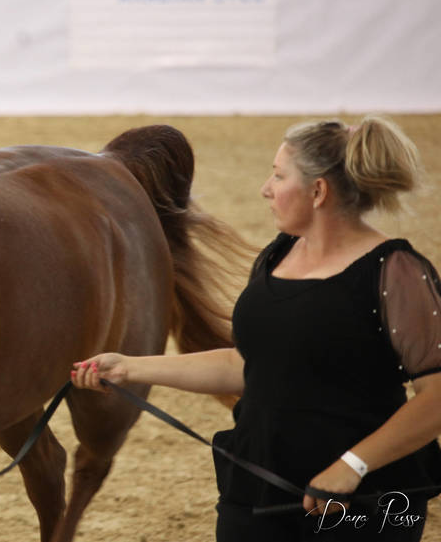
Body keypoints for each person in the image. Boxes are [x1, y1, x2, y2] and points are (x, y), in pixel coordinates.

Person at [72, 117, 441, 540]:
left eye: (279, 175)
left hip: (360, 503)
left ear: (318, 191)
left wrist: (352, 465)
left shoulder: (397, 271)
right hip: (257, 489)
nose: (266, 188)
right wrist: (130, 368)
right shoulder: (277, 256)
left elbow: (436, 397)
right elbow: (245, 364)